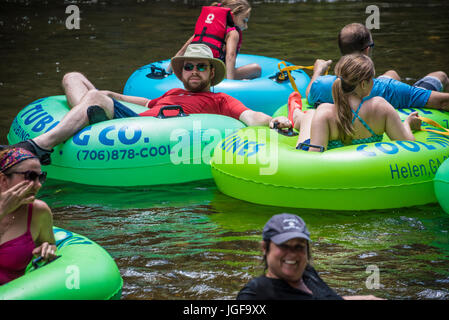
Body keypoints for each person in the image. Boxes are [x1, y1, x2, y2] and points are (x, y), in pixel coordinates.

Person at [4, 44, 290, 165]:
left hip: (147, 132)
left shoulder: (219, 99)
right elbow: (144, 102)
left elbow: (249, 115)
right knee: (73, 76)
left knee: (94, 98)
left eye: (200, 67)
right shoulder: (173, 93)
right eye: (188, 66)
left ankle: (39, 145)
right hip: (136, 116)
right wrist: (110, 95)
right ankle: (88, 114)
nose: (193, 71)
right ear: (181, 71)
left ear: (211, 72)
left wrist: (274, 121)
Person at [237, 213, 383, 300]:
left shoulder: (307, 273)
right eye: (283, 245)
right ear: (265, 248)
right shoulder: (256, 293)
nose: (292, 254)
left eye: (299, 246)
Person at [291, 54, 421, 152]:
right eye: (372, 79)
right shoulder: (381, 107)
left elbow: (315, 156)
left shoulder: (325, 112)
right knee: (308, 117)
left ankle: (298, 115)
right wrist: (408, 123)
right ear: (364, 84)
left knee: (311, 115)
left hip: (331, 158)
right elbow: (409, 144)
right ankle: (295, 113)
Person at [306, 23, 449, 111]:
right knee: (441, 75)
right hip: (396, 93)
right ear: (367, 49)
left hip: (380, 86)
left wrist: (318, 71)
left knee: (391, 73)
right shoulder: (389, 88)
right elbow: (443, 102)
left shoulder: (322, 84)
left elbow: (308, 95)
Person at [0, 147, 57, 285]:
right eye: (30, 176)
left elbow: (49, 243)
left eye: (41, 177)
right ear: (3, 180)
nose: (38, 185)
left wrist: (47, 249)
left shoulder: (39, 211)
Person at [167, 0, 261, 80]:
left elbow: (181, 51)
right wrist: (230, 84)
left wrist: (167, 72)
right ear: (233, 15)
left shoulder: (206, 29)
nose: (246, 26)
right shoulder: (233, 33)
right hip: (212, 74)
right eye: (244, 21)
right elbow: (230, 57)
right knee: (256, 69)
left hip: (192, 70)